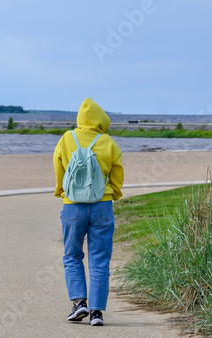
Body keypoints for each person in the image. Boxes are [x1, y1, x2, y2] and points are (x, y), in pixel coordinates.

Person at [53, 97, 124, 326]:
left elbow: (59, 165)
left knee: (72, 255)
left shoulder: (66, 138)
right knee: (100, 259)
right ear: (101, 119)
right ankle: (96, 313)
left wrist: (61, 191)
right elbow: (117, 171)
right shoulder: (108, 142)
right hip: (101, 205)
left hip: (73, 204)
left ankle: (79, 303)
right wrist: (113, 193)